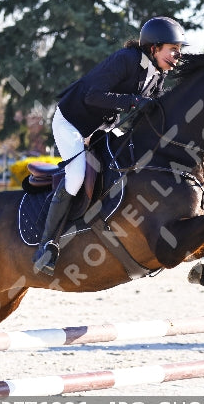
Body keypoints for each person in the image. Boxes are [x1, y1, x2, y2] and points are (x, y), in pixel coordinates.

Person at [33, 16, 188, 275]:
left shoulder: (157, 74)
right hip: (72, 122)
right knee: (76, 176)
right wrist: (134, 101)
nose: (176, 56)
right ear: (154, 48)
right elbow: (92, 96)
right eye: (172, 50)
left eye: (179, 51)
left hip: (102, 127)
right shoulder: (125, 60)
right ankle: (47, 245)